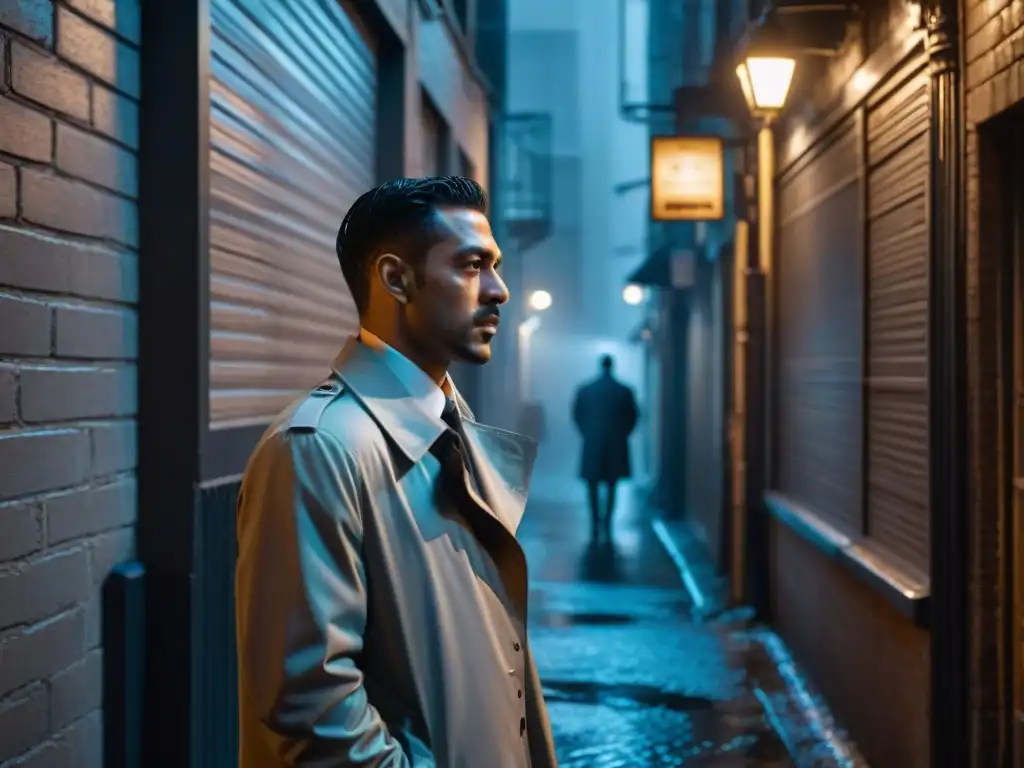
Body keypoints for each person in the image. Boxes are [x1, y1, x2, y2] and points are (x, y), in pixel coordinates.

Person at [235, 177, 557, 768]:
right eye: (471, 266)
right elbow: (311, 705)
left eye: (496, 266)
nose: (499, 290)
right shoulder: (317, 448)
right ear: (395, 278)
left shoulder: (448, 423)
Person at [571, 355, 639, 538]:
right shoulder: (624, 391)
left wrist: (586, 433)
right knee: (612, 483)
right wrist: (622, 434)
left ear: (600, 366)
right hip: (616, 443)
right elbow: (633, 417)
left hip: (593, 442)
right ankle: (607, 521)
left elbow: (577, 415)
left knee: (592, 484)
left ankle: (594, 521)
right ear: (612, 366)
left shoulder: (586, 390)